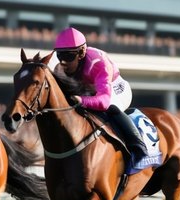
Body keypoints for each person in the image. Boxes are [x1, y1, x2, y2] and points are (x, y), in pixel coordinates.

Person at [52, 27, 151, 169]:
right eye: (59, 56)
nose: (63, 62)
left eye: (68, 56)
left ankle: (139, 149)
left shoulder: (98, 63)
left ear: (81, 53)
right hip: (89, 91)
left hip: (116, 90)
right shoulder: (61, 69)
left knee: (111, 107)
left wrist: (82, 100)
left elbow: (104, 102)